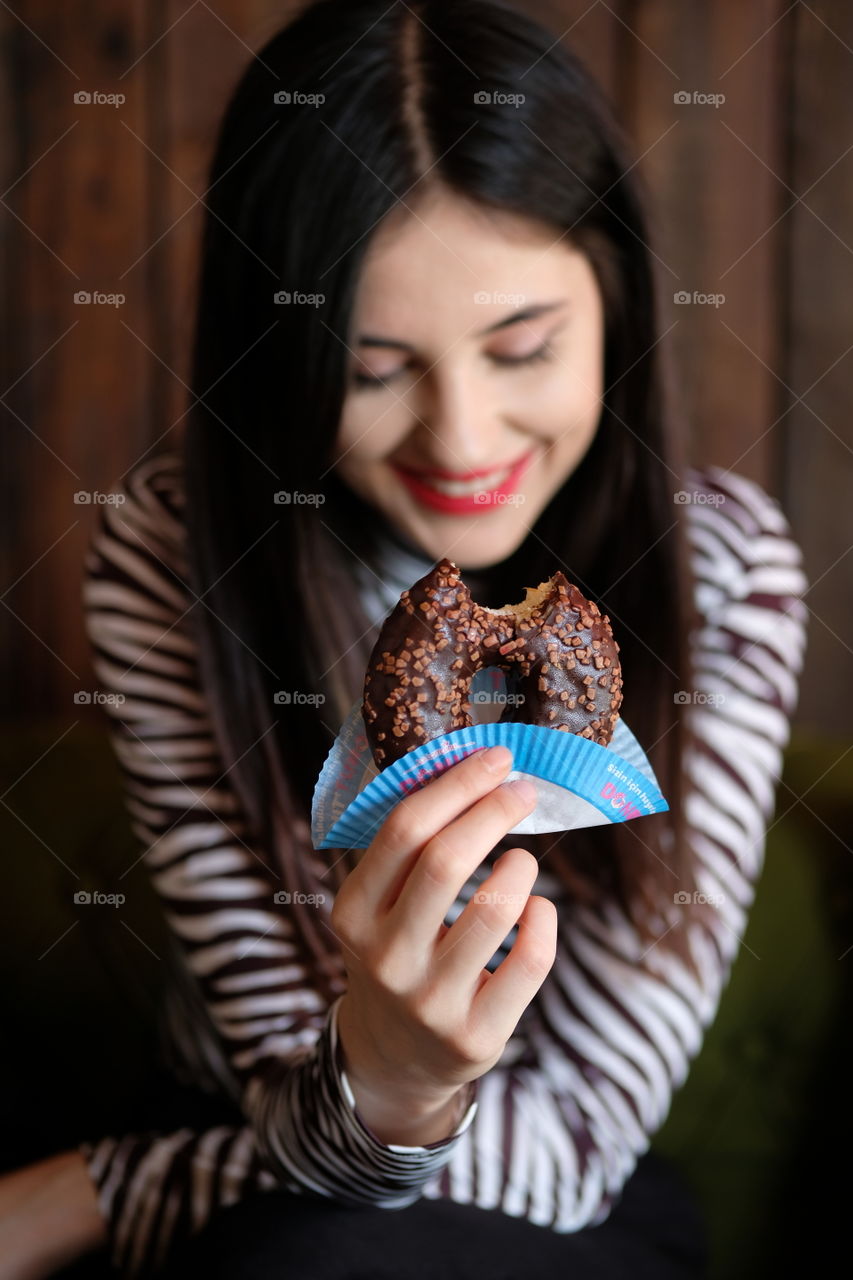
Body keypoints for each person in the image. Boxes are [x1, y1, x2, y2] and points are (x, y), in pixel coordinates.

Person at [2, 0, 808, 1275]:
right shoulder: (177, 553)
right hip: (266, 1148)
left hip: (567, 1212)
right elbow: (283, 1070)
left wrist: (110, 1181)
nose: (464, 440)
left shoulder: (721, 571)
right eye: (374, 369)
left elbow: (579, 1144)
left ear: (616, 306)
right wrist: (381, 1079)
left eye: (522, 347)